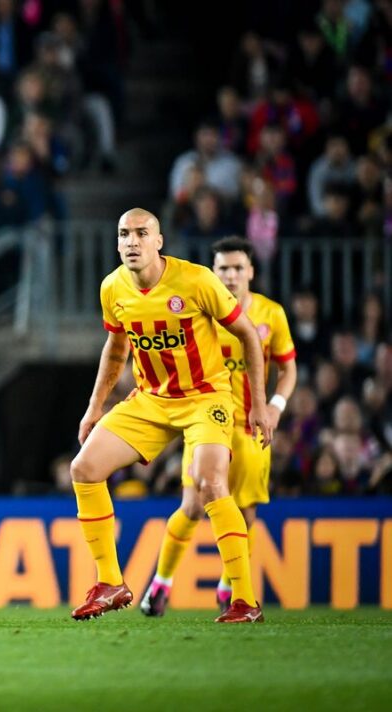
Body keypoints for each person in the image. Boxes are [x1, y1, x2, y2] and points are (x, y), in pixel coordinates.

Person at [69, 208, 273, 624]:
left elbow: (249, 333)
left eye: (141, 233)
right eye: (124, 233)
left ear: (158, 241)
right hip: (151, 400)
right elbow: (115, 349)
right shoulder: (113, 288)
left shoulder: (196, 280)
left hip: (205, 397)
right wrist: (95, 406)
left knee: (210, 483)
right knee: (84, 467)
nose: (131, 242)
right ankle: (110, 582)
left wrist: (259, 403)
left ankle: (245, 600)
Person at [140, 236, 297, 617]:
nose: (230, 275)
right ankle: (161, 584)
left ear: (251, 272)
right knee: (193, 505)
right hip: (208, 422)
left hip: (251, 429)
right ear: (214, 272)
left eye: (237, 268)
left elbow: (287, 367)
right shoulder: (200, 310)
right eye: (223, 268)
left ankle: (231, 587)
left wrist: (275, 405)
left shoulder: (270, 314)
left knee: (246, 513)